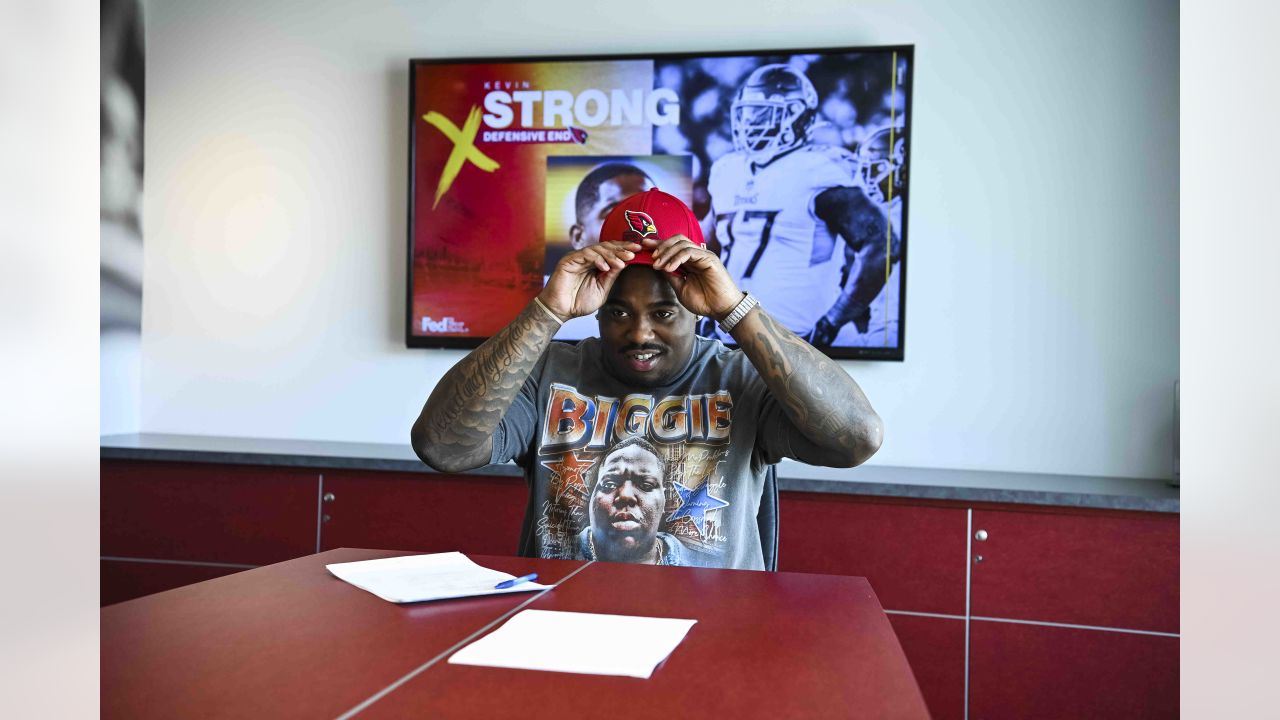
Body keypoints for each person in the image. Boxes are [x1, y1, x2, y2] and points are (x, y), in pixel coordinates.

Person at [411, 188, 883, 570]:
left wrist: (734, 308)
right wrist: (547, 311)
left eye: (663, 312)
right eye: (618, 312)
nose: (639, 333)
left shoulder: (742, 377)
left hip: (713, 635)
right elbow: (441, 447)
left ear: (696, 310)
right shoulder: (550, 371)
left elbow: (857, 438)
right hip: (565, 627)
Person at [701, 63, 901, 348]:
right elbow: (707, 247)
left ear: (797, 117)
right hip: (727, 341)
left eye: (763, 113)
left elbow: (881, 246)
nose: (751, 122)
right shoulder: (726, 169)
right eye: (748, 112)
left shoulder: (819, 168)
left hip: (797, 345)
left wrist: (834, 319)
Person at [553, 162, 655, 340]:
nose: (638, 228)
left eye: (647, 213)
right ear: (578, 237)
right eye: (615, 212)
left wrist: (722, 310)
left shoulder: (682, 288)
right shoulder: (555, 296)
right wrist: (549, 311)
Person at [575, 436, 702, 566]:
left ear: (664, 501)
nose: (626, 495)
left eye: (646, 486)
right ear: (592, 497)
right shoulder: (560, 553)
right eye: (609, 485)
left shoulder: (703, 565)